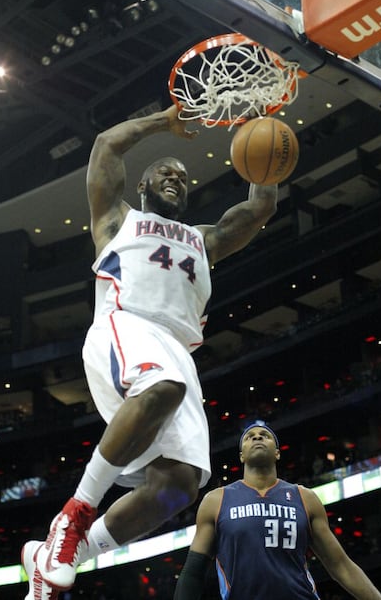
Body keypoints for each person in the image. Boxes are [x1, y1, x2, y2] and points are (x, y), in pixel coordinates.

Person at [21, 104, 278, 600]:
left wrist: (261, 137)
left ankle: (66, 554)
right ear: (143, 185)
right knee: (161, 386)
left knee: (179, 486)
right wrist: (165, 122)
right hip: (124, 325)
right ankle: (72, 517)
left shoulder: (204, 240)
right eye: (165, 171)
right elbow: (105, 146)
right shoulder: (118, 218)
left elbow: (259, 208)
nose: (176, 177)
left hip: (178, 351)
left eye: (183, 177)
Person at [173, 420, 381, 600]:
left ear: (277, 453)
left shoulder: (305, 498)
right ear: (241, 457)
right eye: (249, 437)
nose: (257, 437)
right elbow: (194, 571)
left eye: (264, 435)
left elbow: (341, 566)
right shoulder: (216, 500)